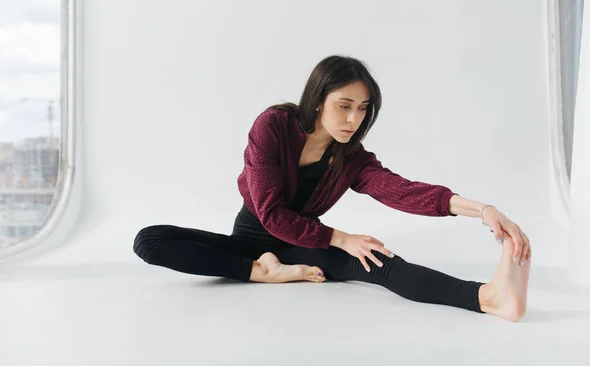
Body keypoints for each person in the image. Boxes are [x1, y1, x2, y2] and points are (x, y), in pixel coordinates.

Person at [133, 55, 531, 322]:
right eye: (344, 105)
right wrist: (339, 238)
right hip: (253, 234)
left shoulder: (351, 157)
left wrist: (483, 210)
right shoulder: (272, 126)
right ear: (318, 99)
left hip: (300, 243)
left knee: (379, 261)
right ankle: (261, 272)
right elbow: (270, 212)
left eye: (363, 109)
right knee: (150, 240)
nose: (353, 118)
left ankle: (489, 298)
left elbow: (402, 191)